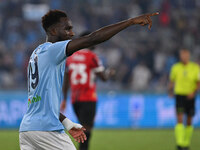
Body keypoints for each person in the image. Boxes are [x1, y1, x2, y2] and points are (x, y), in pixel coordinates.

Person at [19, 9, 159, 150]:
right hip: (46, 130)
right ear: (54, 31)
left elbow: (42, 103)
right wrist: (131, 21)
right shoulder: (53, 51)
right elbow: (93, 38)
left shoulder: (36, 53)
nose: (72, 33)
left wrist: (67, 123)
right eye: (67, 29)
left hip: (27, 130)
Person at [61, 31, 115, 150]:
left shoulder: (71, 57)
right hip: (88, 98)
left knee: (82, 129)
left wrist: (64, 98)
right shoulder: (92, 57)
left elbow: (66, 80)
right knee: (86, 132)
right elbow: (104, 78)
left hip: (75, 99)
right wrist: (110, 73)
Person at [168, 49, 200, 150]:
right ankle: (180, 143)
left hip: (190, 96)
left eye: (185, 56)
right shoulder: (175, 67)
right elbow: (172, 81)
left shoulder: (195, 68)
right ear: (180, 56)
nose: (184, 57)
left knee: (189, 120)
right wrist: (170, 91)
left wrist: (194, 92)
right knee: (180, 118)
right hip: (180, 96)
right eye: (182, 56)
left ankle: (186, 142)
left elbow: (198, 82)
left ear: (189, 56)